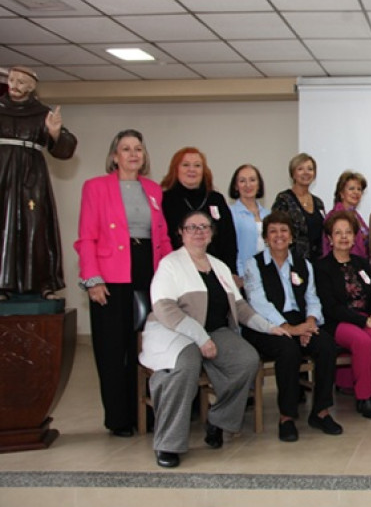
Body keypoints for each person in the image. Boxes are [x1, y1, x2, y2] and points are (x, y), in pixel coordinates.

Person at [142, 211, 290, 469]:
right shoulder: (170, 264)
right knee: (185, 364)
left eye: (204, 227)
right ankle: (168, 443)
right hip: (174, 331)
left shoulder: (219, 266)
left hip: (214, 331)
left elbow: (241, 308)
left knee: (247, 360)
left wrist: (269, 327)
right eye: (192, 227)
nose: (199, 232)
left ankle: (218, 421)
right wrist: (199, 338)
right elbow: (165, 309)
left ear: (211, 232)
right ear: (181, 232)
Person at [75, 129, 172, 437]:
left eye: (138, 149)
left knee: (146, 346)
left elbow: (163, 237)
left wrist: (173, 272)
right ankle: (119, 418)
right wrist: (92, 279)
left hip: (147, 272)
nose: (133, 154)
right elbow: (86, 237)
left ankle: (145, 412)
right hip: (110, 277)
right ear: (114, 156)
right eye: (126, 149)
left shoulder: (154, 189)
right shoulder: (96, 187)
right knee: (112, 349)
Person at [242, 211, 342, 441]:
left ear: (292, 236)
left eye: (284, 231)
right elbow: (258, 302)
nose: (279, 236)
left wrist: (309, 323)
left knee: (326, 345)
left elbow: (312, 298)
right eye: (273, 231)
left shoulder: (303, 264)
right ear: (266, 237)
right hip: (265, 324)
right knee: (288, 350)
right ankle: (287, 416)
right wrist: (288, 328)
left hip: (300, 320)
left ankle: (321, 411)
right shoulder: (254, 264)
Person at [0, 66, 77, 298]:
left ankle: (40, 283)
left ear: (32, 87)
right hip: (2, 174)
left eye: (21, 82)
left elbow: (65, 148)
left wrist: (55, 134)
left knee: (37, 225)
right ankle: (3, 283)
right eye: (12, 80)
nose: (14, 85)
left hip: (31, 177)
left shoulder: (43, 113)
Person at [316, 211, 371, 420]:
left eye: (348, 232)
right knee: (363, 342)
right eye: (338, 233)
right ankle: (364, 398)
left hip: (365, 317)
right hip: (338, 322)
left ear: (355, 237)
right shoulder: (322, 267)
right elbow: (330, 307)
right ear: (329, 238)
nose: (344, 237)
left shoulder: (362, 264)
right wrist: (364, 320)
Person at [161, 147, 239, 276]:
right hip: (179, 271)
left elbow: (229, 239)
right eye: (186, 165)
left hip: (216, 271)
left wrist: (231, 272)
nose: (192, 169)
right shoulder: (166, 200)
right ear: (176, 169)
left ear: (204, 171)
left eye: (197, 165)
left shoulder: (216, 199)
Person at [271, 153, 326, 262]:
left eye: (310, 169)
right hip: (293, 262)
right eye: (300, 169)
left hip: (317, 263)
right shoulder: (284, 199)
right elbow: (277, 232)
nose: (306, 173)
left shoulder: (318, 202)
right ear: (293, 174)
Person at [228, 164, 270, 286]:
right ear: (236, 186)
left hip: (266, 275)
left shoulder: (268, 214)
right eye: (242, 181)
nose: (248, 185)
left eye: (252, 180)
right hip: (242, 277)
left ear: (259, 184)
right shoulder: (230, 213)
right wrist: (237, 274)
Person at [322, 170, 370, 261]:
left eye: (359, 189)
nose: (356, 192)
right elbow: (327, 248)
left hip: (359, 264)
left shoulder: (356, 216)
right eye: (351, 189)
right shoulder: (333, 216)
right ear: (341, 193)